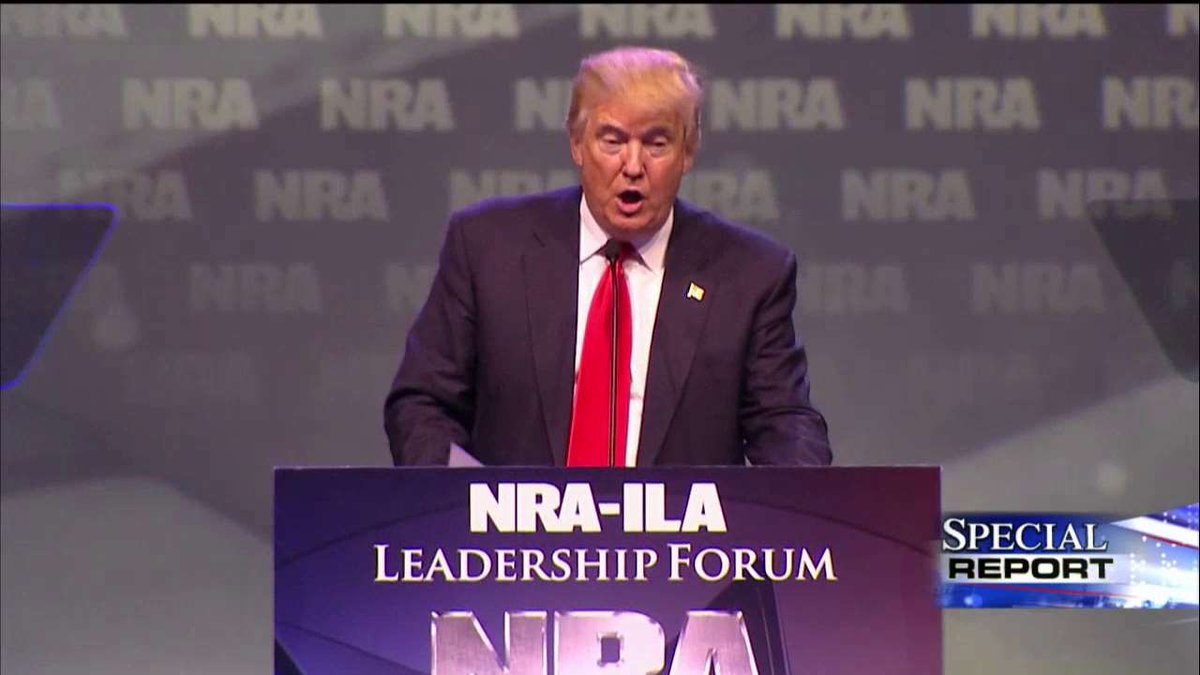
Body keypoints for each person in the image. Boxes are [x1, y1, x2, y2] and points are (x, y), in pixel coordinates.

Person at [384, 46, 831, 468]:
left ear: (689, 151)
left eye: (657, 143)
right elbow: (423, 404)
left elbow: (786, 425)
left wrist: (796, 505)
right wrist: (468, 504)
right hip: (518, 526)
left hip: (677, 527)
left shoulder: (750, 274)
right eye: (613, 141)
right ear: (577, 143)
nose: (633, 166)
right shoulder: (488, 249)